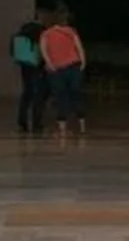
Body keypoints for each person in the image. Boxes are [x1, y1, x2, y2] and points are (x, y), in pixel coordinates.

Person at [38, 9, 87, 142]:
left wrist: (50, 64)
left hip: (56, 69)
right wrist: (83, 62)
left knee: (60, 97)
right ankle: (82, 126)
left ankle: (62, 129)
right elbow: (79, 47)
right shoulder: (70, 31)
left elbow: (43, 50)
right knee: (76, 95)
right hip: (73, 66)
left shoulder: (46, 34)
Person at [10, 19, 49, 135]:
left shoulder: (19, 35)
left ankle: (22, 123)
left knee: (26, 94)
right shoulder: (40, 34)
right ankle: (37, 124)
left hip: (25, 66)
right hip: (37, 67)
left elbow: (12, 52)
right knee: (39, 95)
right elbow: (44, 51)